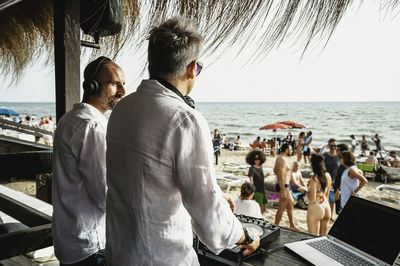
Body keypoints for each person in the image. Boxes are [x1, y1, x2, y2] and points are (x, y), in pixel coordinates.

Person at [105, 17, 259, 265]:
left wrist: (216, 194)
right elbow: (211, 220)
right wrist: (246, 236)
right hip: (162, 256)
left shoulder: (122, 109)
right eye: (197, 69)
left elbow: (151, 178)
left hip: (120, 252)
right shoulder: (185, 120)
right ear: (191, 68)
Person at [52, 56, 126, 265]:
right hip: (91, 245)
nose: (123, 91)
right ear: (91, 86)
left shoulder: (69, 119)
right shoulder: (92, 127)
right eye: (114, 84)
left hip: (70, 239)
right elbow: (103, 193)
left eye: (123, 84)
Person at [274, 144, 298, 230]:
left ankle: (292, 225)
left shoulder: (279, 158)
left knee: (291, 204)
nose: (292, 151)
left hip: (285, 185)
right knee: (281, 208)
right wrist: (283, 190)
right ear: (286, 149)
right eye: (291, 149)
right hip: (284, 186)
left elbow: (275, 170)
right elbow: (280, 176)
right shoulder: (282, 160)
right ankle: (275, 226)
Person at [306, 154, 332, 236]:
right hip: (326, 205)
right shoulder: (328, 175)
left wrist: (304, 191)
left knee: (313, 238)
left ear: (313, 165)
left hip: (316, 206)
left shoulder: (314, 179)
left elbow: (312, 199)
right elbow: (327, 192)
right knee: (323, 238)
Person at [323, 138, 340, 221]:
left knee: (332, 200)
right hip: (325, 181)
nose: (334, 147)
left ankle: (330, 216)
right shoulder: (325, 156)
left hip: (335, 182)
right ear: (328, 145)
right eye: (332, 145)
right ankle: (323, 215)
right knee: (323, 198)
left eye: (335, 145)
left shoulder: (338, 156)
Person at [246, 150, 269, 214]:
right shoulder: (251, 169)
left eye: (259, 158)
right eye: (255, 159)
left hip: (263, 189)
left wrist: (267, 175)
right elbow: (251, 181)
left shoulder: (260, 166)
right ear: (252, 159)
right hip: (257, 190)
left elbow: (261, 178)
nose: (257, 160)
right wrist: (252, 190)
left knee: (264, 208)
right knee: (258, 207)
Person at [333, 144, 349, 215]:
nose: (336, 151)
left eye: (338, 150)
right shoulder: (340, 161)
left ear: (343, 151)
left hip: (341, 190)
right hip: (337, 188)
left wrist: (339, 189)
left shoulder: (347, 163)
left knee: (340, 211)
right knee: (338, 211)